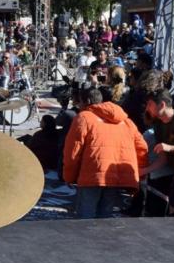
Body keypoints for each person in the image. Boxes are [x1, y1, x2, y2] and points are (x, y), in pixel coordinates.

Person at [62, 87, 148, 218]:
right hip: (114, 176)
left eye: (79, 102)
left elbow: (72, 152)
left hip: (91, 174)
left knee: (84, 218)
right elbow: (142, 147)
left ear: (87, 101)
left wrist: (69, 176)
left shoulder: (84, 118)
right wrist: (139, 173)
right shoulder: (126, 121)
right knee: (105, 218)